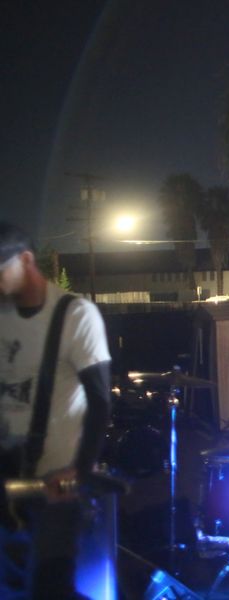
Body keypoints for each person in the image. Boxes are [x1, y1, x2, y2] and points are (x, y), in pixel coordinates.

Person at [0, 221, 111, 598]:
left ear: (25, 260)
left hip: (55, 481)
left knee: (50, 584)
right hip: (7, 476)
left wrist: (80, 469)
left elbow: (100, 401)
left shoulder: (75, 314)